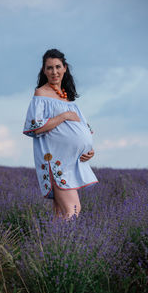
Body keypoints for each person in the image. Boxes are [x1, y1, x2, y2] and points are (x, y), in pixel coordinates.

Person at [23, 48, 98, 221]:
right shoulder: (40, 94)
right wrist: (63, 116)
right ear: (44, 70)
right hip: (57, 162)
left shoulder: (68, 98)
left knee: (61, 214)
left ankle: (54, 246)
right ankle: (68, 247)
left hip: (73, 162)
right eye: (49, 68)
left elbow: (83, 130)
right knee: (73, 209)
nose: (54, 72)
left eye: (58, 67)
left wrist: (89, 149)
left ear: (65, 68)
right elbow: (35, 127)